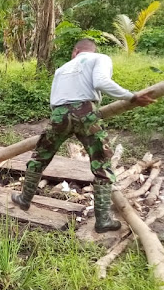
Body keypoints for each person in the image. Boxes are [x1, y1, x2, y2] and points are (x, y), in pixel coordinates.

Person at [11, 39, 156, 233]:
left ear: (75, 51)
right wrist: (132, 96)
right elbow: (101, 82)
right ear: (90, 50)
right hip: (86, 112)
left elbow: (54, 100)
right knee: (102, 164)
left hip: (59, 114)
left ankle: (24, 199)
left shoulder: (61, 69)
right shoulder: (100, 58)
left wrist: (64, 120)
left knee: (40, 156)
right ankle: (103, 220)